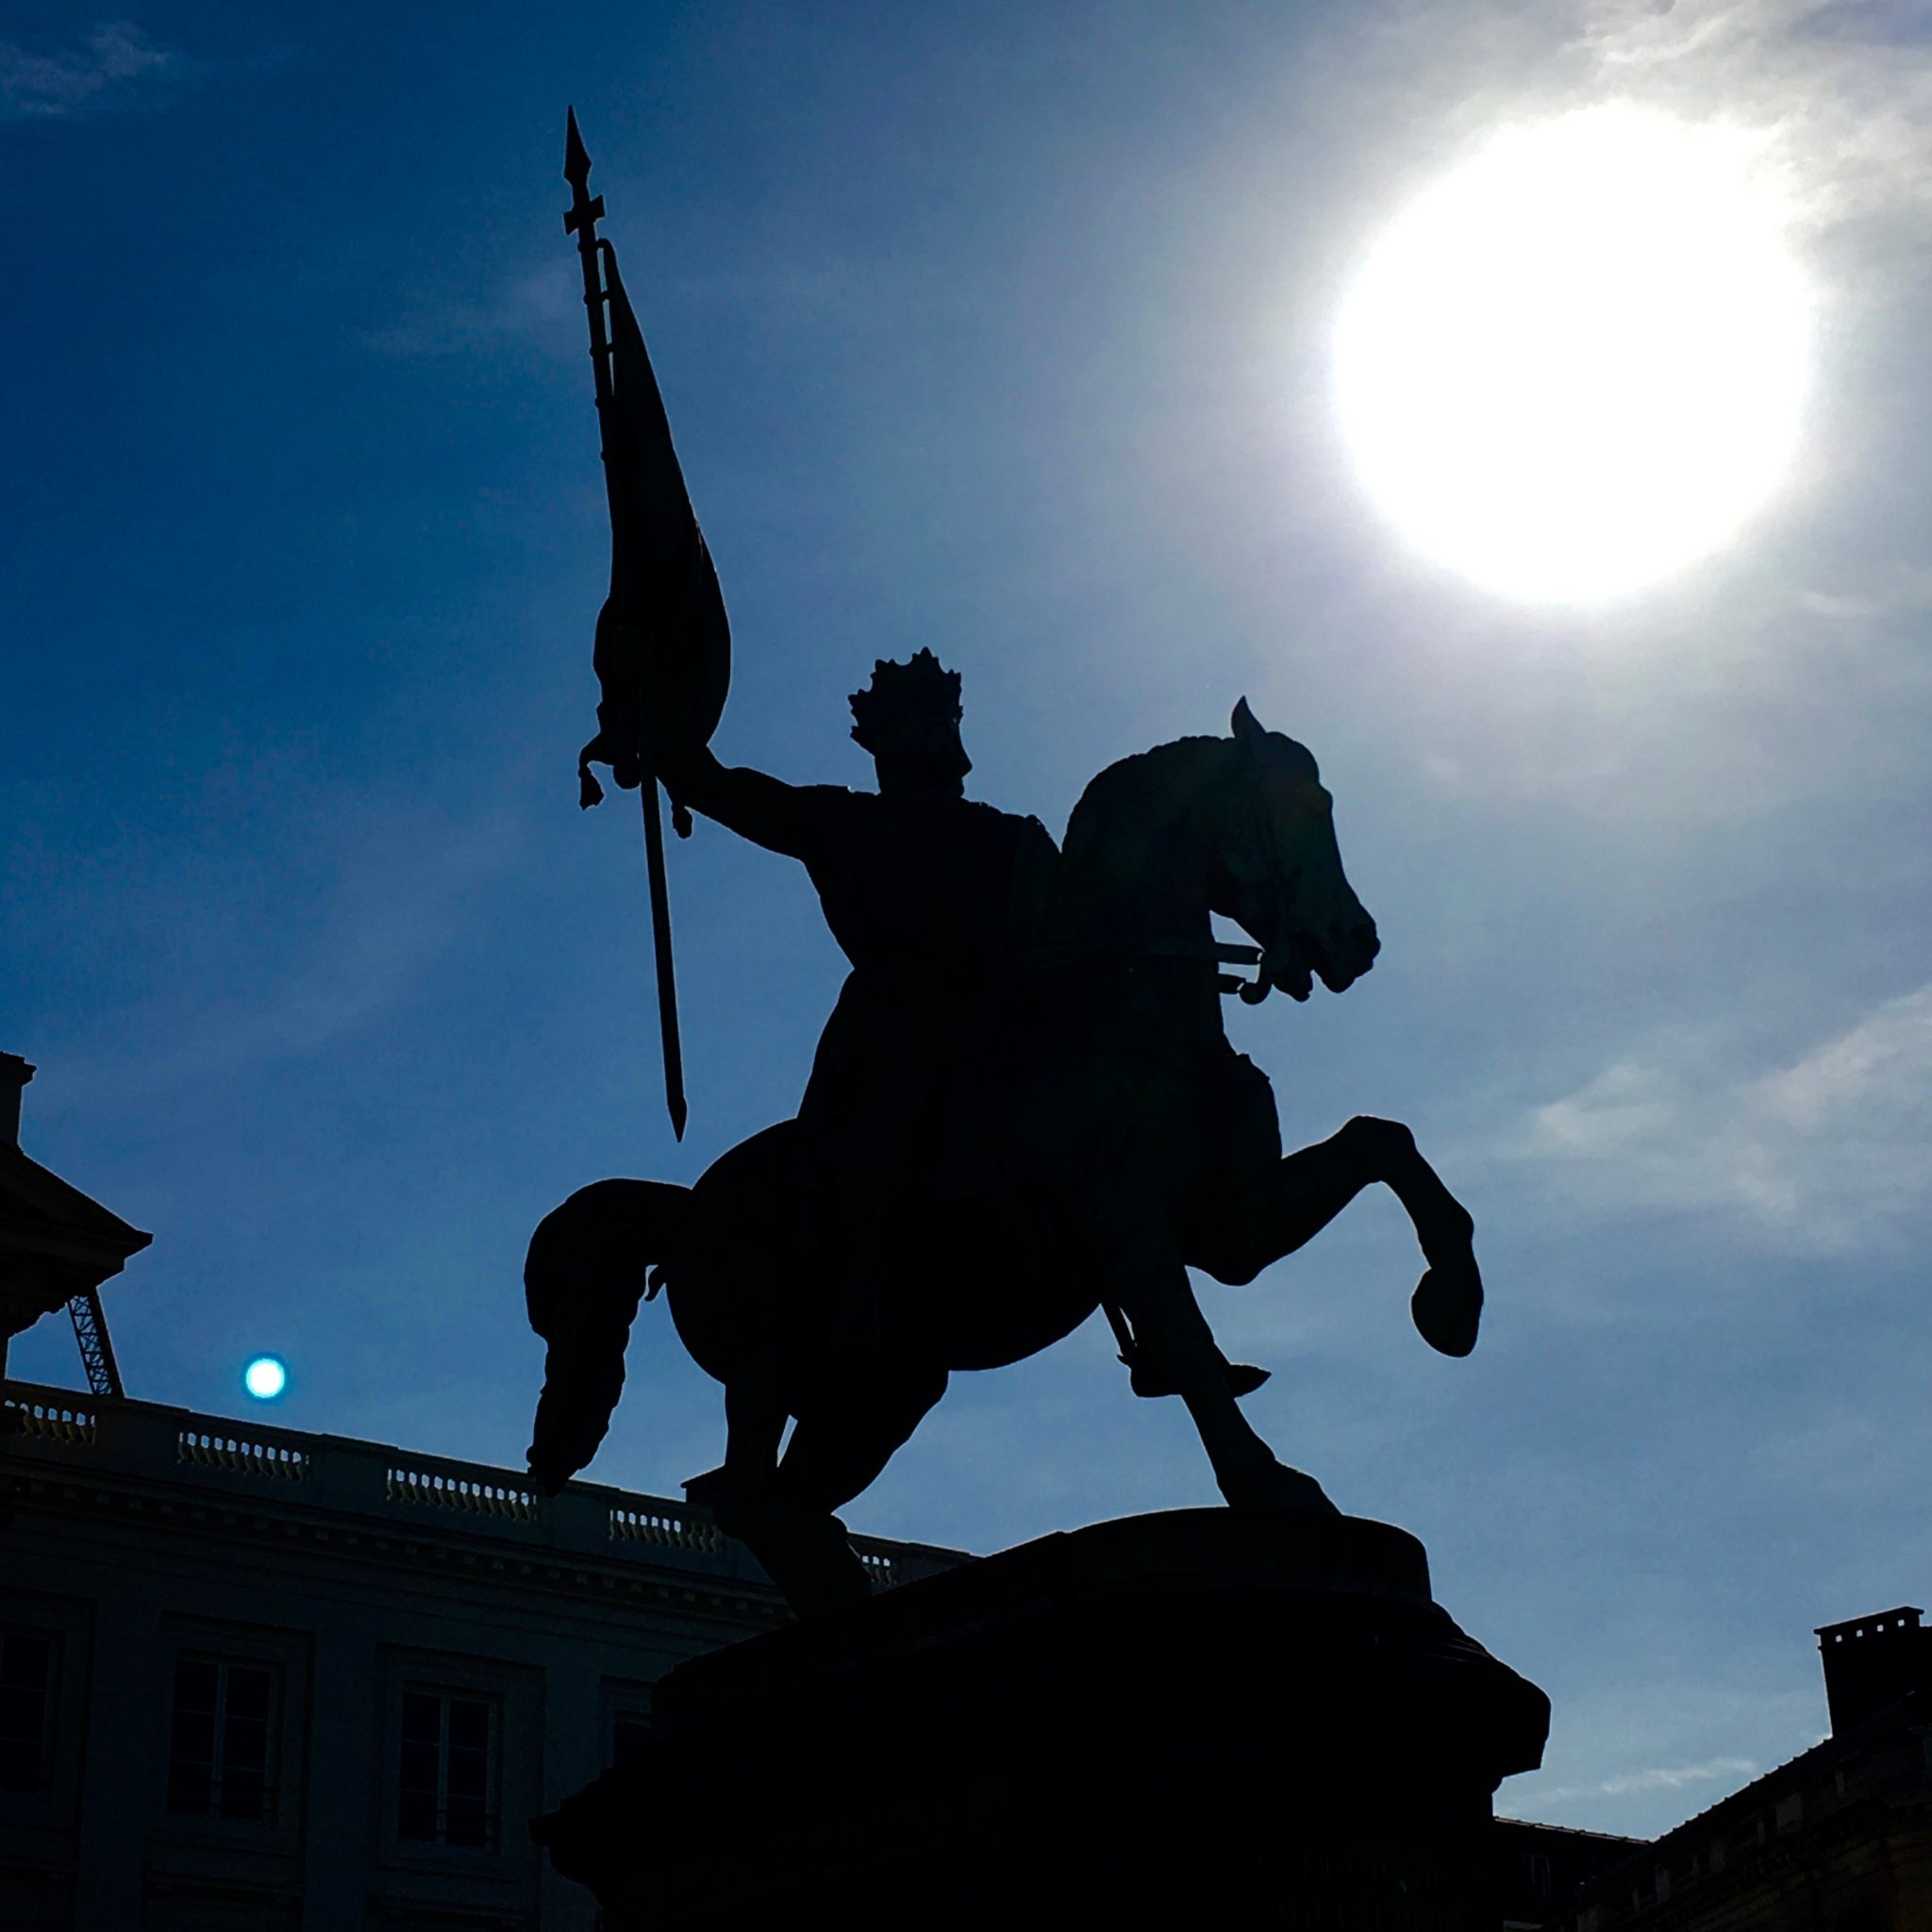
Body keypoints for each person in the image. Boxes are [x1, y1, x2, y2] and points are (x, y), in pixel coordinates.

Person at [655, 650, 1058, 1352]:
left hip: (1005, 1033)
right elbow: (723, 790)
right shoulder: (842, 823)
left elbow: (1076, 937)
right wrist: (657, 733)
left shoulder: (1014, 839)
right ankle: (856, 1298)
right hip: (898, 1027)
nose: (937, 745)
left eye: (941, 726)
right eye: (920, 728)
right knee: (887, 1107)